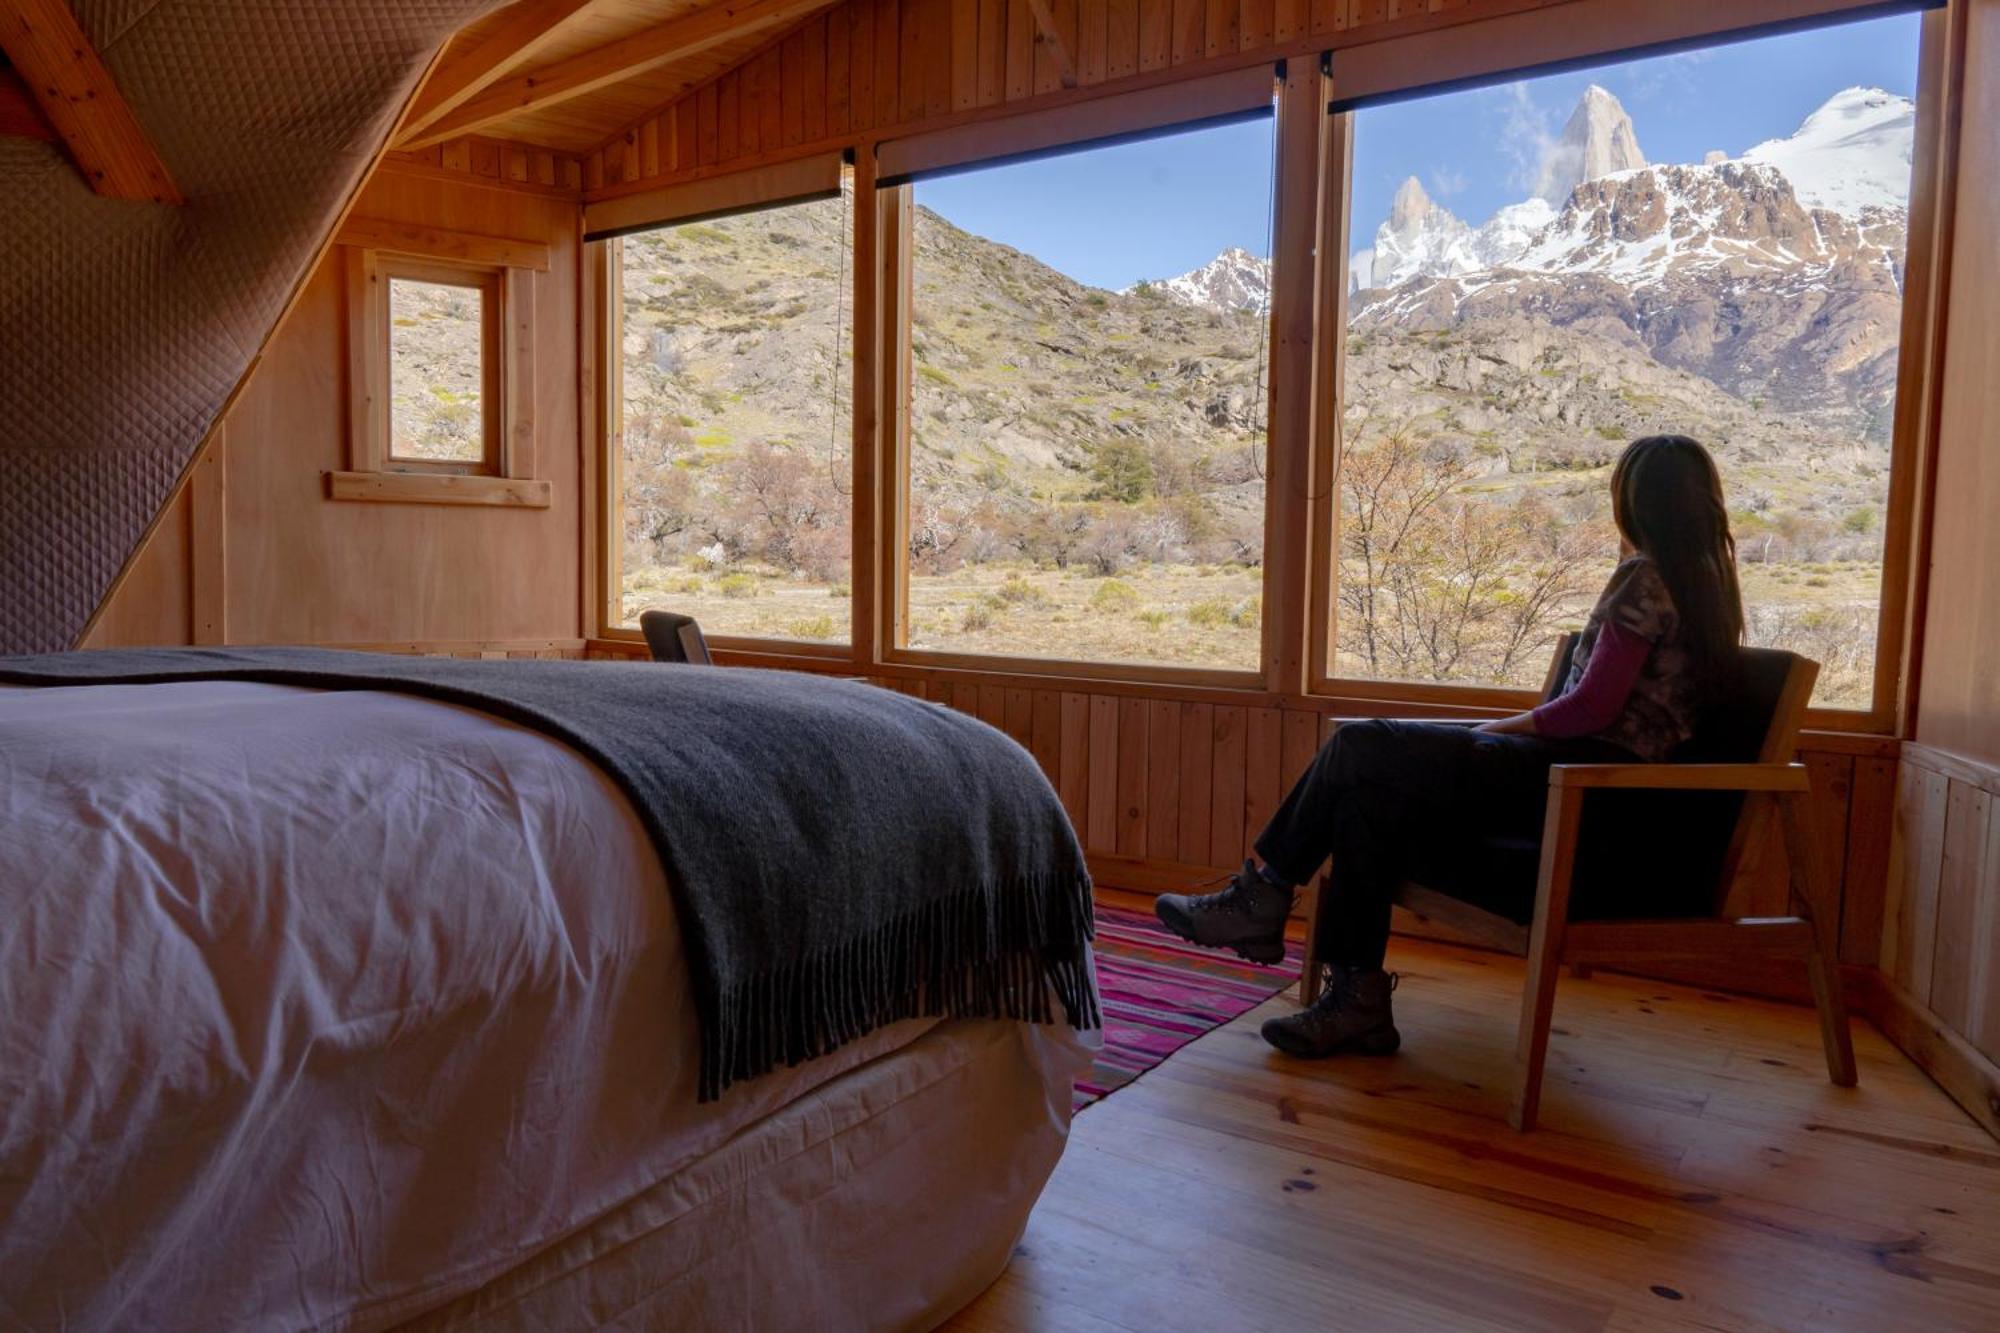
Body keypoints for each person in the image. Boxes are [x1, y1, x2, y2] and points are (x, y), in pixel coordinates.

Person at [1155, 435, 1746, 1059]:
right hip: (1603, 791)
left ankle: (1267, 895)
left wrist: (1490, 733)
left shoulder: (1644, 579)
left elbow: (1590, 710)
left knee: (1360, 745)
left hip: (1582, 784)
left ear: (1636, 502)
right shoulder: (1710, 587)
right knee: (1367, 796)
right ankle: (1357, 1000)